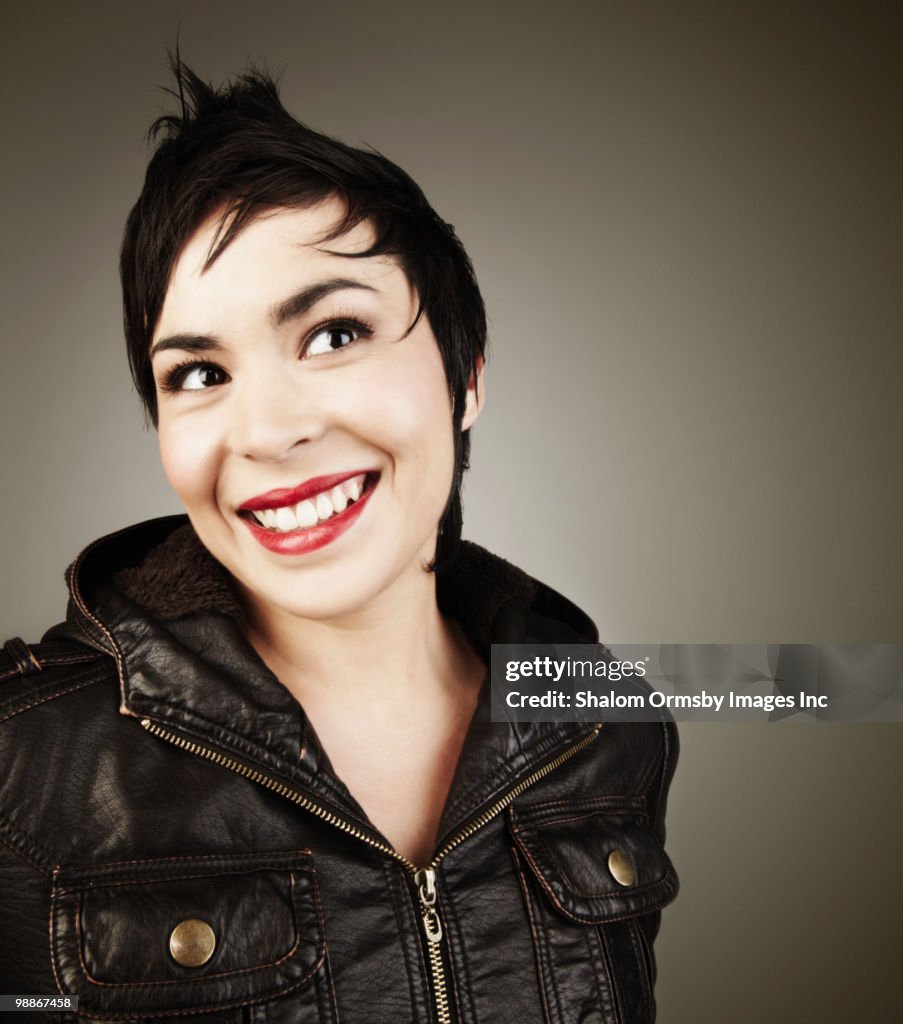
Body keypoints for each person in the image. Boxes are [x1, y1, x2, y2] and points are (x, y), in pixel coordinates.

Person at [0, 61, 678, 1023]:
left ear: (465, 374)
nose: (268, 431)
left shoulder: (612, 721)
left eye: (332, 334)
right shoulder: (20, 765)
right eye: (197, 373)